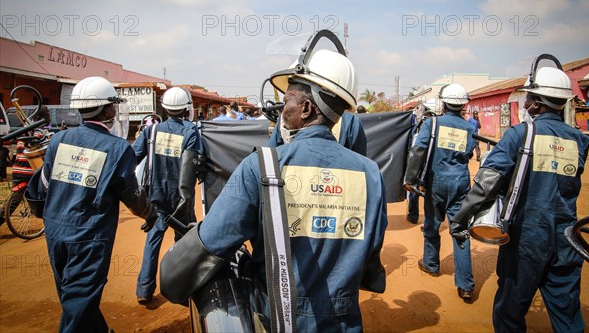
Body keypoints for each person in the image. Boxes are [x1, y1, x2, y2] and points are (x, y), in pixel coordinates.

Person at [160, 48, 388, 331]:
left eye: (288, 100)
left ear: (306, 109)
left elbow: (211, 244)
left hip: (275, 319)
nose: (283, 109)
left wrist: (172, 278)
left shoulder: (261, 167)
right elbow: (369, 257)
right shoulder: (370, 174)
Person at [450, 66, 589, 332]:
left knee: (509, 311)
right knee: (567, 313)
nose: (524, 102)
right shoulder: (579, 140)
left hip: (527, 238)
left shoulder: (519, 134)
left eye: (527, 97)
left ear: (537, 103)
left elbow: (487, 183)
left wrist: (460, 217)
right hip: (567, 237)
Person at [30, 76, 157, 332]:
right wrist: (150, 215)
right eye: (113, 105)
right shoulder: (119, 148)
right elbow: (131, 194)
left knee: (72, 295)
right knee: (78, 302)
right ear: (108, 109)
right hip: (89, 235)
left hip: (55, 231)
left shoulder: (58, 140)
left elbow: (42, 186)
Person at [403, 83, 476, 300]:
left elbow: (418, 150)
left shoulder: (431, 124)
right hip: (461, 183)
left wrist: (410, 179)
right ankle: (466, 285)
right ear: (463, 105)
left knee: (432, 225)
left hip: (436, 182)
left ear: (443, 103)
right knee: (460, 230)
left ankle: (431, 264)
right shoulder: (470, 128)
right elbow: (469, 154)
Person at [132, 87, 201, 304]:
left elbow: (132, 157)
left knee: (153, 240)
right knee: (184, 243)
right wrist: (184, 199)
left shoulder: (151, 132)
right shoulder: (191, 132)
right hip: (182, 198)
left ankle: (144, 290)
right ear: (186, 109)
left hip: (156, 195)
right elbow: (191, 167)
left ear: (165, 108)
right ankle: (182, 289)